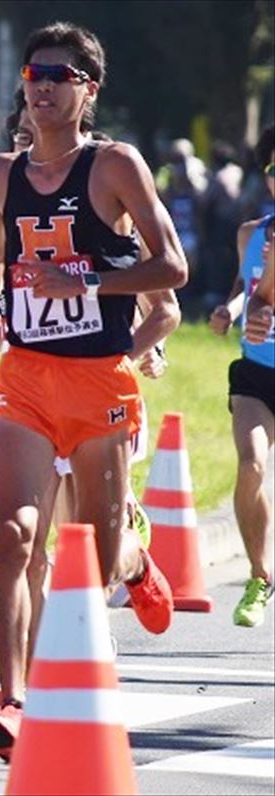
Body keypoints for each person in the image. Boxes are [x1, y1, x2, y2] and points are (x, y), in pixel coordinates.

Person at [0, 21, 188, 761]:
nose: (42, 84)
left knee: (97, 561)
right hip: (28, 379)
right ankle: (12, 698)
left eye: (61, 75)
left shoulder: (114, 166)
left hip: (99, 379)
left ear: (88, 90)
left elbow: (171, 270)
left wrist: (86, 279)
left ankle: (135, 560)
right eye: (35, 73)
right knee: (13, 539)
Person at [208, 124, 274, 628]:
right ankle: (260, 575)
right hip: (255, 370)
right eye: (273, 171)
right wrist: (230, 311)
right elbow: (242, 286)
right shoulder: (252, 233)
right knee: (250, 465)